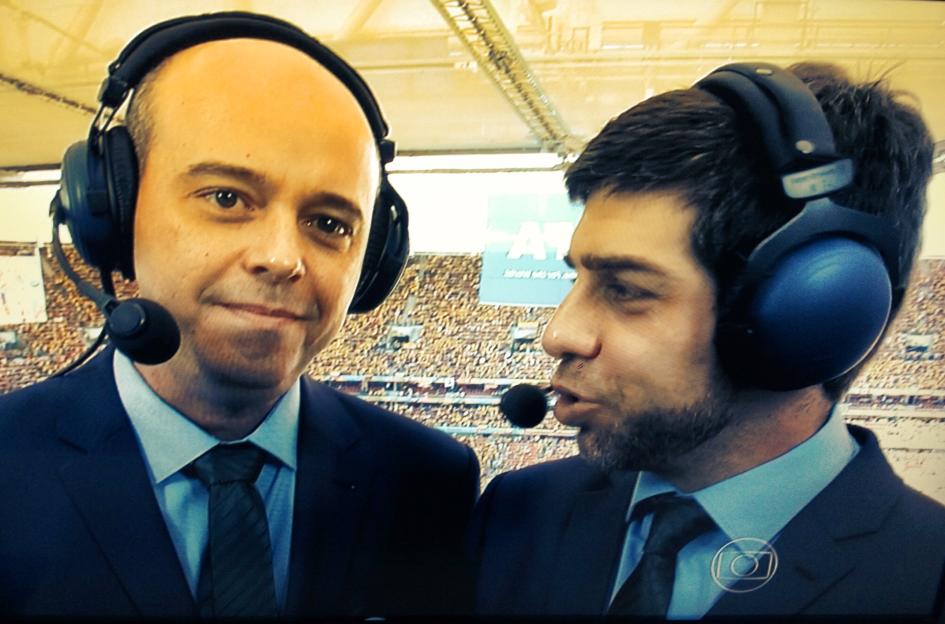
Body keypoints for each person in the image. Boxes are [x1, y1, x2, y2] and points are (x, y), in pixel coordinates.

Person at [0, 12, 479, 618]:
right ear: (115, 212)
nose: (281, 258)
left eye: (330, 223)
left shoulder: (428, 481)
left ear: (374, 258)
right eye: (226, 198)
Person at [470, 61, 945, 619]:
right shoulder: (517, 514)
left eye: (626, 289)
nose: (558, 334)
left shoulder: (929, 579)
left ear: (812, 310)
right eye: (577, 279)